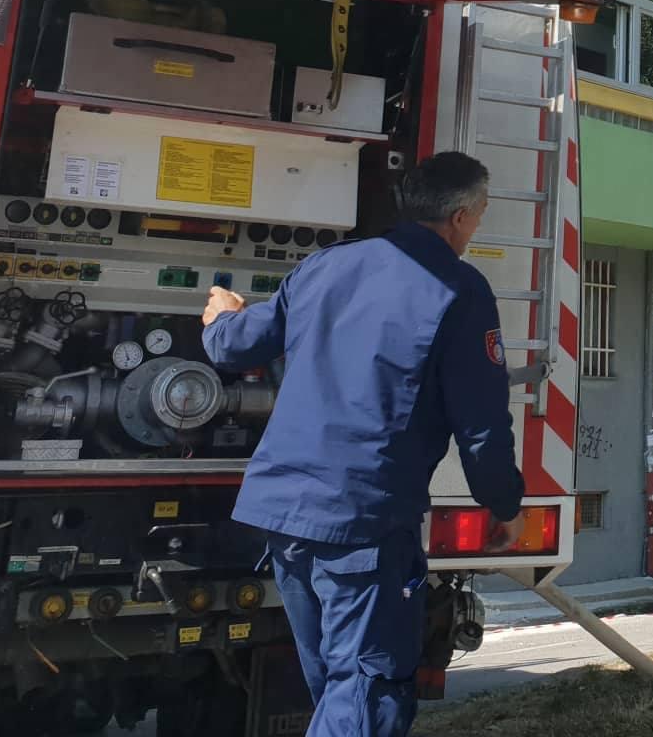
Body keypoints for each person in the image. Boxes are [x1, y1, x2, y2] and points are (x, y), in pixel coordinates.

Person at [201, 152, 524, 736]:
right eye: (479, 214)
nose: (477, 225)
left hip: (284, 517)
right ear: (459, 216)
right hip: (361, 523)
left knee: (334, 683)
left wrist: (219, 316)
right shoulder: (459, 290)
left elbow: (232, 347)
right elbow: (482, 425)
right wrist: (502, 504)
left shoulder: (324, 267)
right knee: (367, 689)